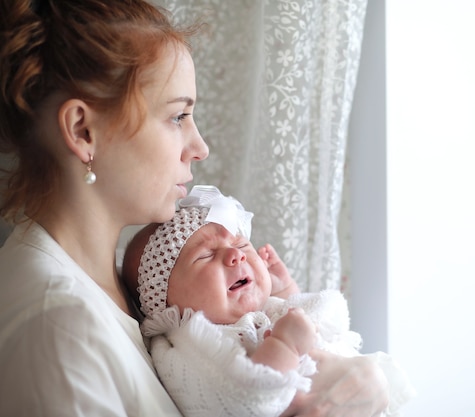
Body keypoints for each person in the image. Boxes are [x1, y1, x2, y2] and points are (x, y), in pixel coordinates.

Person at [0, 1, 390, 416]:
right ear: (83, 130)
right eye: (177, 117)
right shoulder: (58, 329)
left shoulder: (124, 284)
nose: (199, 148)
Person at [122, 185, 416, 417]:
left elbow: (315, 324)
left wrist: (285, 289)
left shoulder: (257, 311)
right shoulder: (188, 345)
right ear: (163, 304)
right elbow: (242, 399)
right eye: (206, 255)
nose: (235, 255)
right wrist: (285, 346)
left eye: (240, 244)